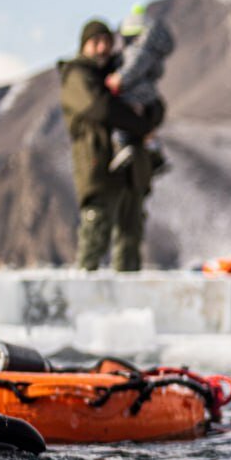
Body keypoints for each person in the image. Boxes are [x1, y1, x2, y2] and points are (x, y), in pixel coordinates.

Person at [58, 19, 155, 272]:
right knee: (96, 229)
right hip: (98, 163)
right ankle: (84, 293)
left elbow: (156, 106)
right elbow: (99, 107)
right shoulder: (77, 75)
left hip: (131, 168)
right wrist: (139, 122)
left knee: (130, 233)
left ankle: (128, 298)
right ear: (84, 46)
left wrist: (145, 114)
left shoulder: (124, 73)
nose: (102, 48)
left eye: (107, 42)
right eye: (96, 42)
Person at [106, 3, 174, 175]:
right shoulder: (154, 52)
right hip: (148, 94)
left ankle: (122, 147)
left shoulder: (138, 51)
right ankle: (153, 150)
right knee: (145, 127)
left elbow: (133, 67)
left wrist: (119, 78)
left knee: (123, 119)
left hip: (133, 93)